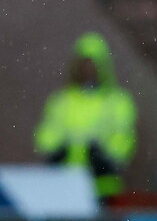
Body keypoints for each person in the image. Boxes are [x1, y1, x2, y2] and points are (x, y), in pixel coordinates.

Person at [35, 32, 137, 202]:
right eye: (84, 65)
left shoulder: (117, 101)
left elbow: (124, 138)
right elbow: (47, 133)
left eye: (93, 65)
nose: (88, 70)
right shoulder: (61, 100)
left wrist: (105, 157)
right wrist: (58, 150)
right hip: (64, 183)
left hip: (102, 185)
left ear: (103, 66)